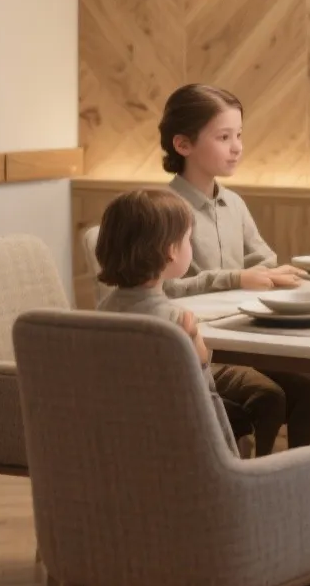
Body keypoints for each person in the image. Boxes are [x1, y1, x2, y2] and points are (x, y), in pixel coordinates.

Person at [155, 84, 310, 488]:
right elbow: (163, 289)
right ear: (183, 143)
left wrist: (273, 274)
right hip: (206, 345)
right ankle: (275, 492)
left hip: (247, 332)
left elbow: (261, 259)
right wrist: (236, 278)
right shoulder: (163, 211)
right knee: (303, 387)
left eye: (239, 135)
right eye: (224, 137)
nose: (237, 147)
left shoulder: (233, 204)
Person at [92, 188, 237, 456]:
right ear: (171, 251)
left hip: (123, 444)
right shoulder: (177, 322)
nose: (189, 246)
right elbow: (202, 390)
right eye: (188, 240)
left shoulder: (102, 310)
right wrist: (194, 339)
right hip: (183, 445)